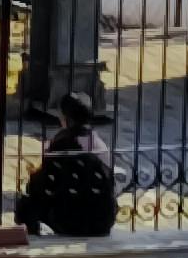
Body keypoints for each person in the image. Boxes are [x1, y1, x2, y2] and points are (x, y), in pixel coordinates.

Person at [25, 92, 119, 241]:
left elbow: (42, 184)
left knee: (26, 203)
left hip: (70, 220)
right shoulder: (100, 146)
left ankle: (32, 243)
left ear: (65, 119)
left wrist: (34, 175)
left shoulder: (62, 144)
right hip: (102, 221)